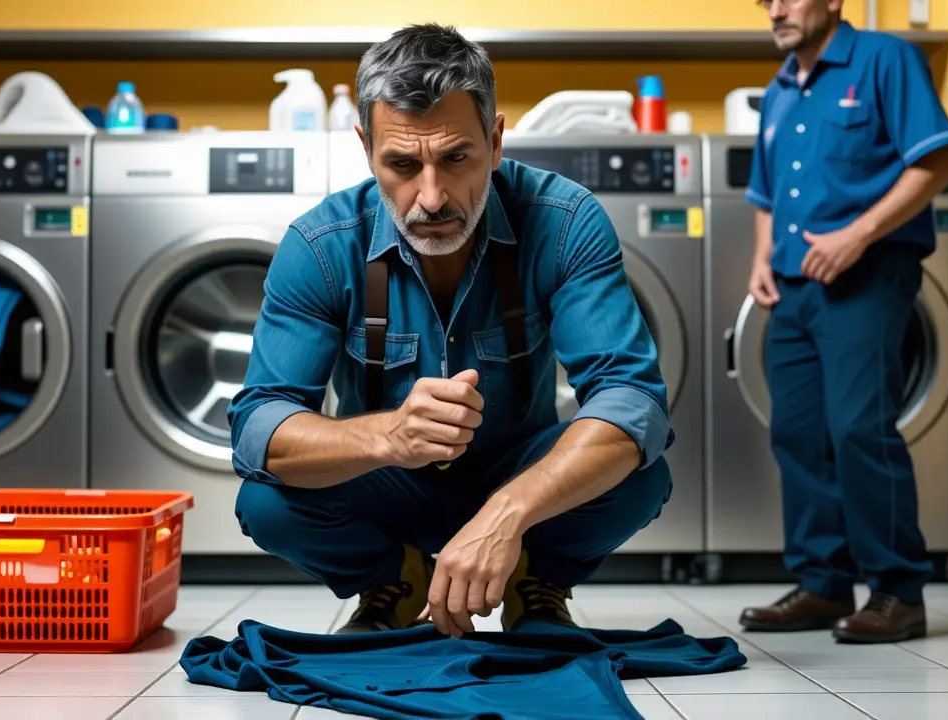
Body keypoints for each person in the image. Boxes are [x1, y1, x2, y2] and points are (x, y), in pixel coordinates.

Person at [228, 24, 673, 638]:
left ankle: (535, 577)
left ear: (494, 140)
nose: (431, 197)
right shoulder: (322, 245)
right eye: (403, 164)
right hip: (386, 484)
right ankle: (392, 576)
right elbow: (258, 425)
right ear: (366, 148)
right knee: (265, 499)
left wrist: (509, 513)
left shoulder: (565, 221)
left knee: (640, 471)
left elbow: (633, 401)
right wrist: (390, 435)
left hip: (524, 479)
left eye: (456, 157)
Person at [739, 0, 948, 644]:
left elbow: (939, 161)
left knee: (860, 428)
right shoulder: (780, 90)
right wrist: (760, 259)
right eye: (766, 0)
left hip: (867, 276)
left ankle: (898, 591)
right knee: (798, 433)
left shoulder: (885, 59)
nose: (776, 9)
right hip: (790, 288)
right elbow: (763, 193)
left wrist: (857, 237)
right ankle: (823, 584)